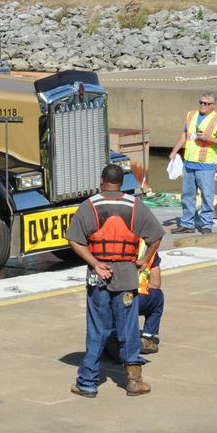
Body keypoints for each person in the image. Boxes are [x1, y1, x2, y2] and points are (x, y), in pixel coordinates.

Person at [66, 163, 164, 398]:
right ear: (121, 183)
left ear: (102, 181)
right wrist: (144, 260)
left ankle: (87, 383)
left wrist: (95, 263)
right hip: (127, 276)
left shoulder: (90, 205)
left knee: (97, 329)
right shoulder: (135, 206)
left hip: (98, 276)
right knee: (128, 329)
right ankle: (134, 381)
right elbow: (156, 236)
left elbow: (74, 240)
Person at [170, 92, 217, 235]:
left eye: (206, 103)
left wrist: (208, 138)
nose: (202, 105)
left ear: (213, 105)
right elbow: (184, 135)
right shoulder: (191, 115)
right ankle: (187, 224)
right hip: (189, 163)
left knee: (207, 196)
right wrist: (174, 151)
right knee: (187, 196)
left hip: (206, 165)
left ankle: (207, 224)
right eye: (201, 102)